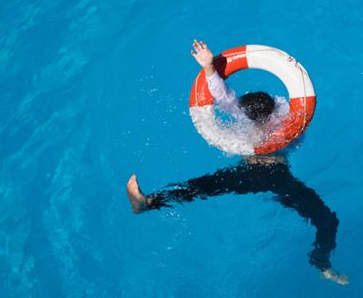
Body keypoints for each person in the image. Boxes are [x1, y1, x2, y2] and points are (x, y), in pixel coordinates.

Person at [126, 40, 348, 285]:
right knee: (200, 187)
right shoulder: (251, 113)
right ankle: (147, 203)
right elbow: (222, 95)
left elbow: (291, 130)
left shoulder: (287, 120)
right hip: (263, 174)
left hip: (270, 175)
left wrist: (210, 68)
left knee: (326, 219)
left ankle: (321, 262)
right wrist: (209, 67)